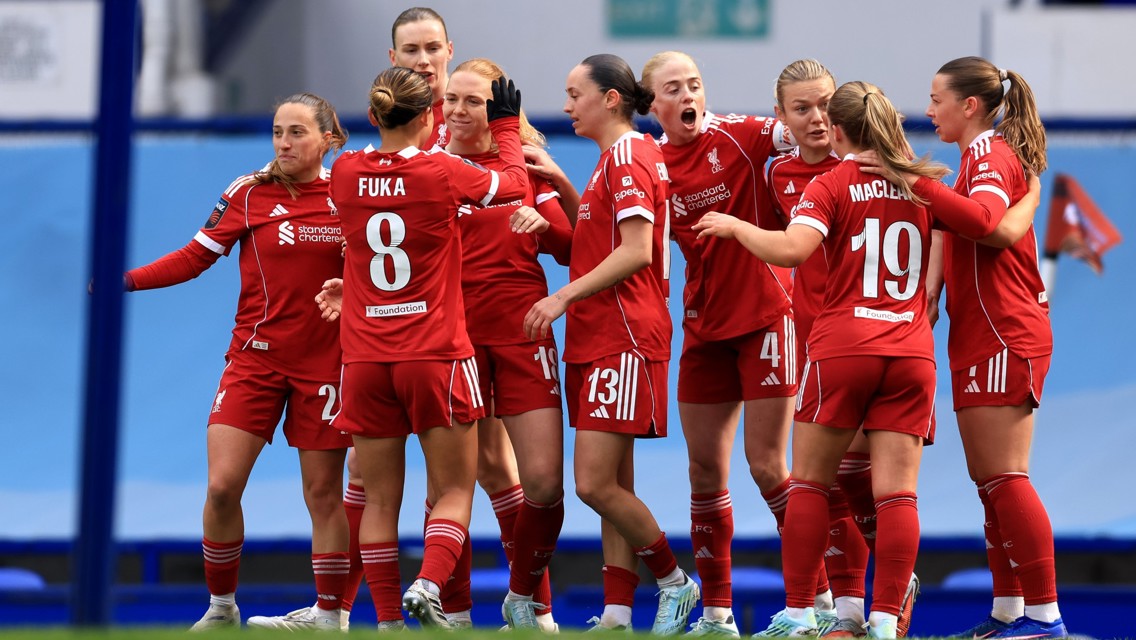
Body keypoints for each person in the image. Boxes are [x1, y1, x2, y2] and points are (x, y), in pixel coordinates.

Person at [694, 81, 1002, 639]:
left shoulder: (833, 181)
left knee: (812, 484)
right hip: (910, 353)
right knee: (897, 494)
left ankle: (800, 611)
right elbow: (982, 225)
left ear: (838, 131)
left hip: (843, 349)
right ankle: (883, 620)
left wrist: (735, 225)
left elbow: (792, 250)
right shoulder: (920, 183)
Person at [124, 93, 352, 631]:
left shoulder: (352, 195)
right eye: (277, 131)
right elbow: (193, 257)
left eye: (297, 132)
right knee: (223, 486)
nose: (284, 143)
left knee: (323, 494)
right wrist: (124, 280)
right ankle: (222, 607)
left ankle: (329, 617)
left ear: (328, 139)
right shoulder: (249, 191)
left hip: (327, 367)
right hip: (255, 361)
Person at [327, 66, 528, 630]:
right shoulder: (442, 172)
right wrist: (506, 126)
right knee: (454, 489)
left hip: (364, 359)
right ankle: (429, 583)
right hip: (435, 353)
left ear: (372, 116)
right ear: (429, 117)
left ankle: (388, 621)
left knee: (378, 500)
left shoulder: (344, 171)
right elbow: (513, 185)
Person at [870, 56, 1063, 639]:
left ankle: (1045, 615)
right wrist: (928, 291)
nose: (929, 111)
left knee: (1006, 476)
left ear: (969, 105)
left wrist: (911, 177)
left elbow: (984, 222)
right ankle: (1009, 611)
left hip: (1005, 331)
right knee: (991, 480)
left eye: (937, 99)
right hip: (980, 333)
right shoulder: (976, 160)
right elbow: (962, 228)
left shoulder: (988, 155)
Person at [523, 53, 699, 636]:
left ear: (612, 99)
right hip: (606, 334)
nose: (568, 105)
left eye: (576, 94)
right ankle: (619, 613)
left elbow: (635, 251)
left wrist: (561, 297)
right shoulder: (614, 160)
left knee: (593, 484)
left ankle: (676, 582)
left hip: (621, 335)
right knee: (615, 485)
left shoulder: (627, 157)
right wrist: (562, 183)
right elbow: (596, 237)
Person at [639, 50, 800, 637]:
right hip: (704, 328)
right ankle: (717, 616)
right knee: (704, 470)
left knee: (767, 467)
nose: (688, 97)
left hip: (765, 316)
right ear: (652, 104)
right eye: (673, 89)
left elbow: (810, 124)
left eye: (695, 85)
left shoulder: (744, 136)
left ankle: (817, 604)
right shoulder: (648, 162)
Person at [443, 56, 573, 631]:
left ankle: (530, 603)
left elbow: (571, 249)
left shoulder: (526, 169)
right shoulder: (432, 168)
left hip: (522, 333)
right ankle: (454, 612)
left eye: (475, 101)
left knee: (541, 482)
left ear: (501, 113)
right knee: (454, 479)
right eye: (452, 99)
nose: (458, 110)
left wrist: (545, 223)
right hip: (452, 338)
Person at [338, 6, 454, 624]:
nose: (423, 59)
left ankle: (525, 611)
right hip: (432, 342)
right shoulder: (448, 159)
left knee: (492, 470)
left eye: (433, 47)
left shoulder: (351, 168)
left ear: (450, 51)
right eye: (411, 50)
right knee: (443, 481)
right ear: (394, 60)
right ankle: (351, 607)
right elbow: (507, 186)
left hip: (399, 339)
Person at [763, 58, 878, 639]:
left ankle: (865, 607)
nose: (817, 117)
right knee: (824, 480)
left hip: (862, 342)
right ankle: (847, 614)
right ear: (781, 117)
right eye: (801, 108)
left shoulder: (863, 167)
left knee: (853, 474)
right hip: (809, 341)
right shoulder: (776, 174)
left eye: (826, 104)